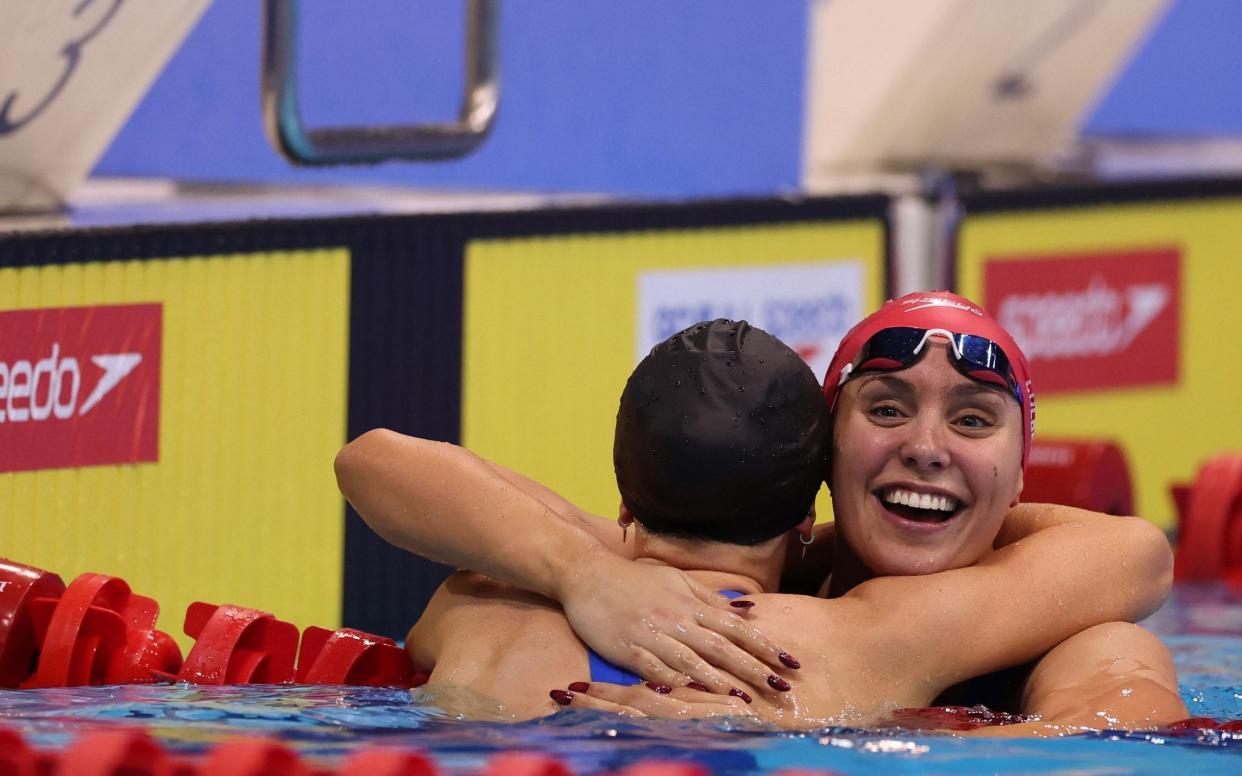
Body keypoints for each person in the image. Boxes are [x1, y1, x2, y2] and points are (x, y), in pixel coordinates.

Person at [336, 316, 1182, 730]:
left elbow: (374, 460)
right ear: (821, 477)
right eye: (887, 410)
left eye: (971, 423)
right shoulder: (876, 638)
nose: (926, 449)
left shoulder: (485, 595)